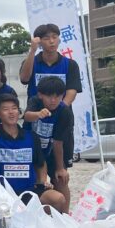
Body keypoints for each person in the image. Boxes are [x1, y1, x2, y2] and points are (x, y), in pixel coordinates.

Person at [0, 91, 65, 212]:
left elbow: (40, 163)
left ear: (19, 112)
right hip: (0, 195)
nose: (11, 112)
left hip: (27, 192)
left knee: (58, 198)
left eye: (14, 108)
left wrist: (42, 182)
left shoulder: (31, 137)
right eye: (5, 109)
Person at [24, 76, 74, 209]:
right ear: (40, 95)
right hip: (32, 150)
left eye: (58, 96)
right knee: (38, 183)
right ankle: (39, 212)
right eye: (49, 96)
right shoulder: (35, 101)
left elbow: (58, 142)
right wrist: (38, 114)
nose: (53, 100)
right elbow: (27, 116)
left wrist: (60, 168)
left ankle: (65, 216)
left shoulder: (64, 111)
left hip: (53, 149)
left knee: (61, 180)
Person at [19, 24, 82, 102]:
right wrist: (32, 50)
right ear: (39, 42)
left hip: (61, 112)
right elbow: (24, 79)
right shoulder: (30, 62)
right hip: (35, 112)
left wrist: (60, 109)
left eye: (54, 37)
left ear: (59, 40)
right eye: (46, 38)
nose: (52, 41)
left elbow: (72, 91)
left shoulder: (71, 64)